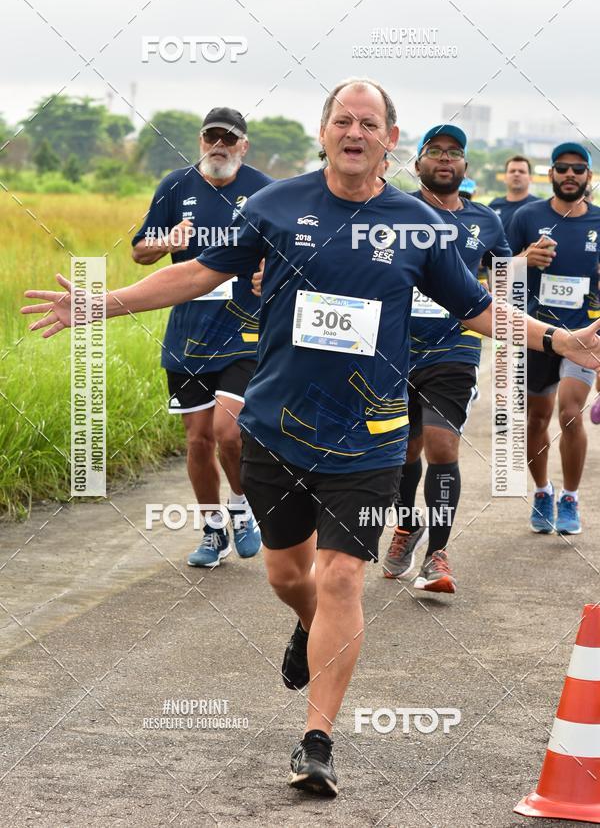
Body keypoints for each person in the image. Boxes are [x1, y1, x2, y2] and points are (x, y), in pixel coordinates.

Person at [22, 80, 600, 798]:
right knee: (289, 578)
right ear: (323, 131)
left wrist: (559, 336)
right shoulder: (275, 206)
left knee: (339, 578)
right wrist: (99, 304)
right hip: (276, 428)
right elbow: (199, 271)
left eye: (369, 122)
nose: (354, 131)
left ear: (390, 138)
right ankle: (308, 627)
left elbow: (479, 308)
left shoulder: (421, 226)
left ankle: (317, 738)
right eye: (342, 119)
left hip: (371, 439)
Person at [131, 107, 272, 567]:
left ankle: (242, 505)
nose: (219, 147)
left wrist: (269, 275)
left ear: (243, 146)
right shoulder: (175, 186)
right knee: (198, 440)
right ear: (200, 141)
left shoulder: (264, 191)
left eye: (228, 140)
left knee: (228, 432)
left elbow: (288, 253)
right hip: (189, 335)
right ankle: (214, 531)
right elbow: (140, 252)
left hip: (246, 330)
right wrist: (164, 243)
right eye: (212, 138)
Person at [382, 125, 512, 594]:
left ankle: (437, 554)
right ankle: (405, 525)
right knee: (401, 449)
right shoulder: (393, 211)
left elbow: (501, 279)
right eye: (433, 151)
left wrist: (503, 317)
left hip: (454, 348)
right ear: (416, 164)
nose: (444, 159)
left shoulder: (487, 222)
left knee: (441, 446)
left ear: (465, 167)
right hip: (393, 346)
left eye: (454, 153)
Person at [508, 142, 600, 534]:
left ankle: (570, 499)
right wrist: (523, 260)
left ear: (588, 178)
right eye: (562, 168)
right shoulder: (526, 216)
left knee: (570, 413)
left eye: (578, 169)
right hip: (537, 336)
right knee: (537, 420)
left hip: (582, 336)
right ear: (551, 174)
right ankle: (543, 492)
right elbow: (496, 274)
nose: (570, 175)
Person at [488, 155, 538, 231]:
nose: (516, 174)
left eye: (522, 171)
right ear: (505, 177)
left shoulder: (539, 207)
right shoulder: (494, 206)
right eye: (512, 171)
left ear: (530, 178)